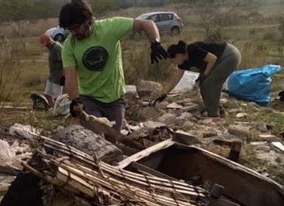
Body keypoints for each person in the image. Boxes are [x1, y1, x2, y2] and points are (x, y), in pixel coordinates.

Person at [60, 0, 167, 132]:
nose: (75, 33)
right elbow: (70, 79)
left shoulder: (110, 28)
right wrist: (76, 100)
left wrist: (155, 43)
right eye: (71, 30)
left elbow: (147, 24)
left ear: (87, 20)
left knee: (114, 139)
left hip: (115, 99)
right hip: (89, 99)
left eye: (77, 27)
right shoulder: (69, 46)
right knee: (97, 138)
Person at [153, 41, 241, 117]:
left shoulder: (192, 49)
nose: (173, 63)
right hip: (219, 60)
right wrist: (164, 94)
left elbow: (212, 58)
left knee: (210, 83)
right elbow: (176, 79)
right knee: (203, 83)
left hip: (229, 55)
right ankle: (214, 108)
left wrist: (205, 74)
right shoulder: (183, 63)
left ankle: (213, 115)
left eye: (173, 60)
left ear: (178, 55)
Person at [40, 33, 64, 107]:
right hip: (52, 75)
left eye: (46, 44)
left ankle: (58, 110)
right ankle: (53, 108)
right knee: (47, 94)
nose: (46, 46)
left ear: (49, 40)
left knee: (57, 97)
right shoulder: (50, 48)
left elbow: (64, 62)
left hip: (58, 76)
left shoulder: (57, 48)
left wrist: (64, 77)